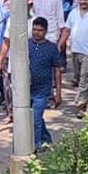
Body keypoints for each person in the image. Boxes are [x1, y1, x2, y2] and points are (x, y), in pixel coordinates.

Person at [27, 17, 64, 150]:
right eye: (34, 30)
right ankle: (46, 138)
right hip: (27, 89)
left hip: (43, 91)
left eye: (40, 30)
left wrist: (58, 93)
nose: (36, 33)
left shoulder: (52, 48)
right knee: (32, 117)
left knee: (35, 119)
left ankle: (34, 147)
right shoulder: (26, 44)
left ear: (46, 31)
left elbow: (57, 71)